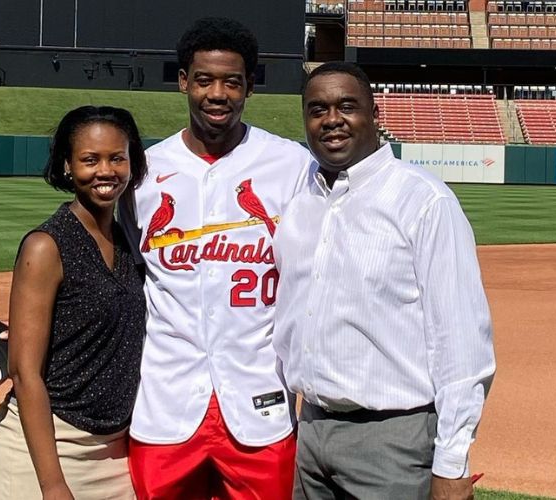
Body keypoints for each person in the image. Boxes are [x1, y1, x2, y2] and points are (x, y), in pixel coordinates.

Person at [273, 61, 496, 500]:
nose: (331, 119)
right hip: (310, 431)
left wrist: (452, 463)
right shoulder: (300, 206)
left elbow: (462, 342)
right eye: (317, 109)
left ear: (376, 116)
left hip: (393, 440)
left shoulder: (424, 201)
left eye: (347, 106)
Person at [123, 17, 316, 499]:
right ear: (184, 81)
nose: (217, 93)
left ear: (250, 85)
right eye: (204, 80)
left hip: (260, 402)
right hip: (165, 402)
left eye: (232, 81)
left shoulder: (292, 165)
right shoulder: (146, 171)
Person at [0, 105, 148, 500]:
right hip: (44, 451)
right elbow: (25, 373)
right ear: (68, 167)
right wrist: (52, 484)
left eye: (117, 158)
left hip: (114, 456)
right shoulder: (45, 246)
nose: (105, 171)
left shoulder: (127, 241)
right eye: (90, 160)